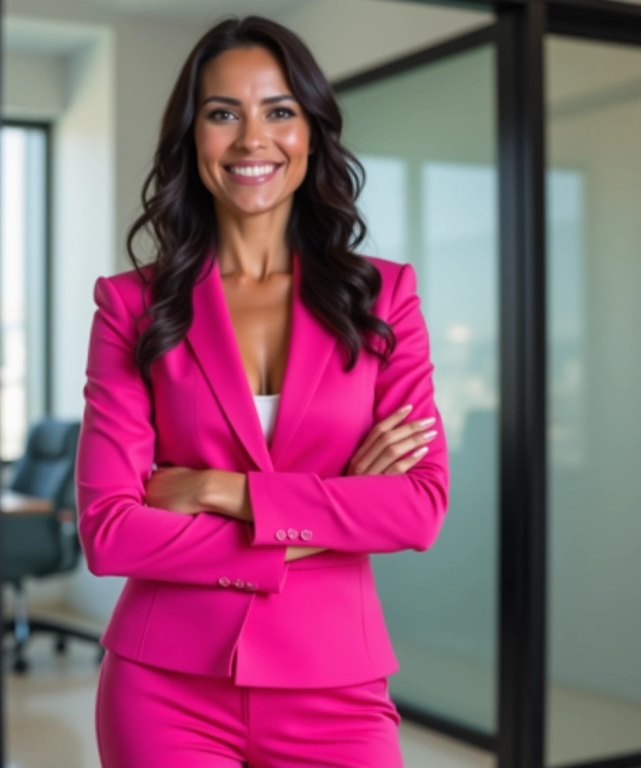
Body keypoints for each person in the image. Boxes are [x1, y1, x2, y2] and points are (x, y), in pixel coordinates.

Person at [76, 14, 449, 768]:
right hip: (163, 684)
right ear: (193, 137)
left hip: (338, 683)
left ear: (311, 131)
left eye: (278, 110)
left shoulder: (385, 298)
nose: (253, 139)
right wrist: (339, 505)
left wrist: (219, 489)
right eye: (224, 114)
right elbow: (110, 532)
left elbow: (418, 507)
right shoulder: (131, 307)